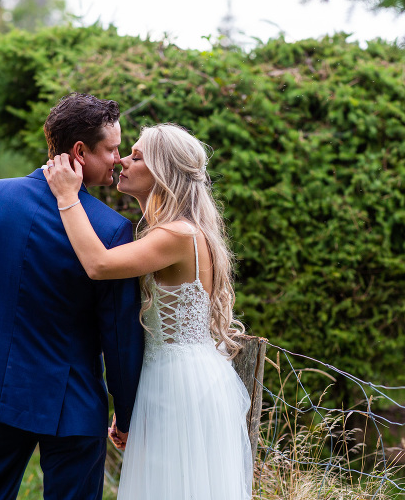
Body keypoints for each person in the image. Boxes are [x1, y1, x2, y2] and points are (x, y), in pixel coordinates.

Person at [0, 93, 144, 500]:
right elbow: (119, 338)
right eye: (112, 149)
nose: (118, 158)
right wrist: (127, 413)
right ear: (80, 152)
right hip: (74, 404)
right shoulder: (113, 230)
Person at [44, 123, 253, 500]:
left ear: (164, 173)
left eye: (136, 156)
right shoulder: (168, 231)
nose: (122, 159)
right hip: (169, 375)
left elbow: (98, 265)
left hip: (180, 384)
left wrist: (66, 196)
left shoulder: (177, 235)